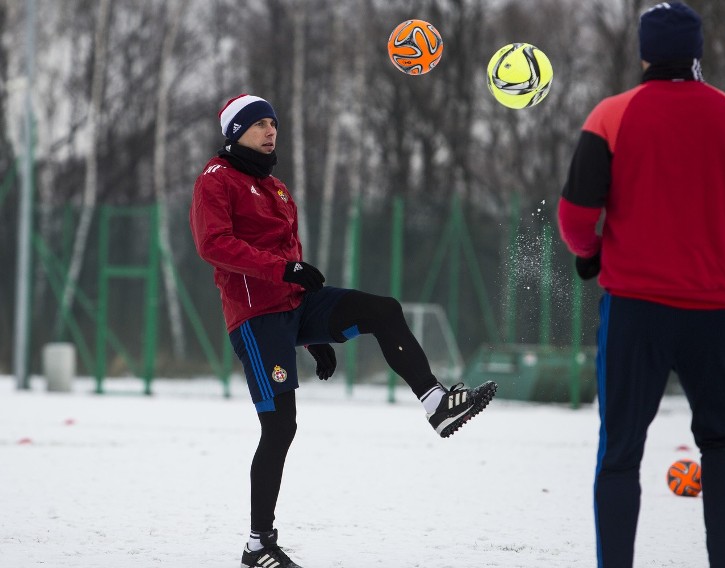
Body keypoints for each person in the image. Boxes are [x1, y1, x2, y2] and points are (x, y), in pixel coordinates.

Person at [190, 94, 497, 568]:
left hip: (293, 305)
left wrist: (313, 339)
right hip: (256, 317)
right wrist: (284, 269)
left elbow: (289, 261)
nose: (272, 131)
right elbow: (214, 245)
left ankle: (436, 402)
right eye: (260, 125)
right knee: (280, 427)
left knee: (382, 310)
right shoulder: (216, 179)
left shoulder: (275, 186)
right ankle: (258, 545)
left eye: (274, 123)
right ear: (235, 133)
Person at [557, 3, 725, 567]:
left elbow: (575, 219)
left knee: (620, 452)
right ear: (698, 53)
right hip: (716, 313)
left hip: (635, 311)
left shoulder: (611, 116)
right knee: (722, 444)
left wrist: (593, 254)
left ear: (644, 51)